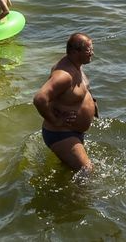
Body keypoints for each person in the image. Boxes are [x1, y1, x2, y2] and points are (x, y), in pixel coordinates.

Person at [33, 33, 98, 173]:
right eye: (88, 50)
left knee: (69, 171)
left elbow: (82, 89)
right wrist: (55, 120)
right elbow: (40, 99)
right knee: (87, 171)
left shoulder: (76, 65)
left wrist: (92, 102)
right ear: (75, 52)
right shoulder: (64, 75)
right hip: (62, 134)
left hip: (73, 132)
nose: (92, 53)